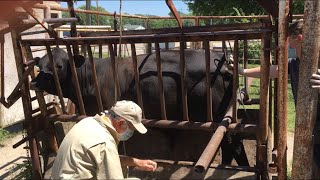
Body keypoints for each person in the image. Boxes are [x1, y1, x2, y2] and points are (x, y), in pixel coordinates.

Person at [51, 100, 157, 179]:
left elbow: (105, 158)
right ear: (121, 123)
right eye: (131, 129)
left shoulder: (88, 122)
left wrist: (137, 162)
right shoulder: (105, 141)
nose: (131, 133)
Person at [229, 20, 303, 105]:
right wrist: (242, 71)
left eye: (289, 42)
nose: (287, 46)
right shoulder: (294, 63)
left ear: (299, 39)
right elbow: (270, 71)